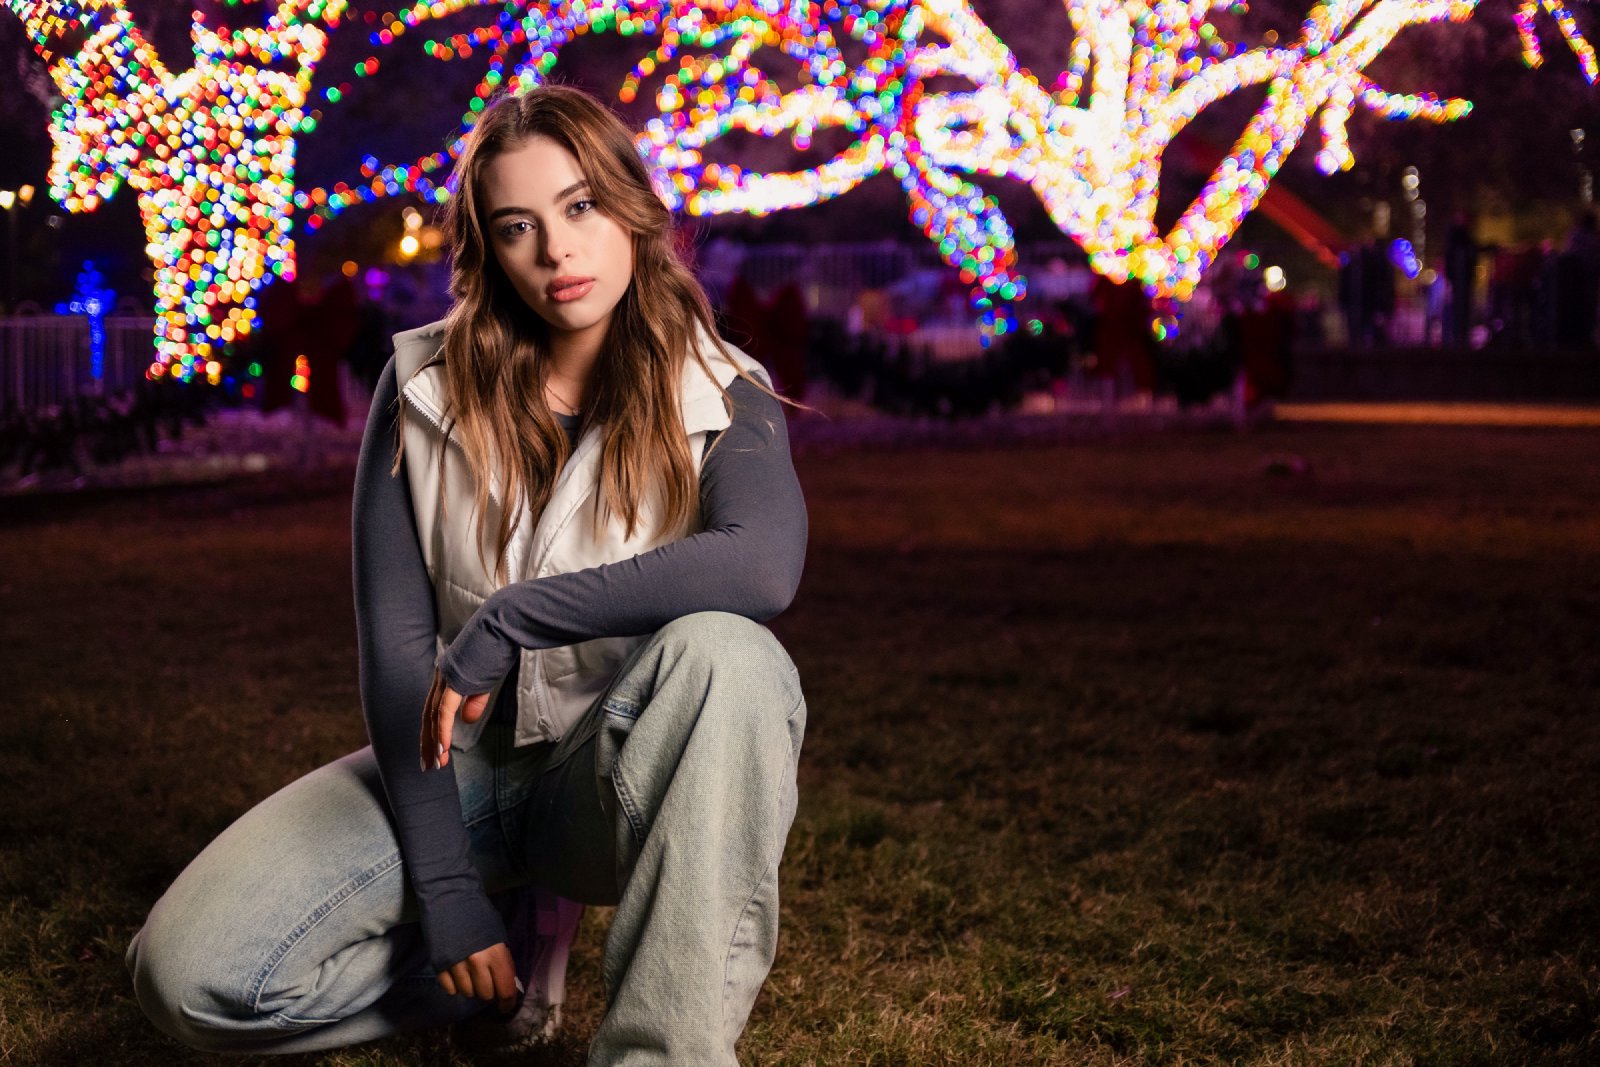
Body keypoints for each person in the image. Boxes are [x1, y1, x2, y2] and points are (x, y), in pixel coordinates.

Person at [124, 83, 810, 1066]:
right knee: (188, 974)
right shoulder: (420, 389)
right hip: (466, 768)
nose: (556, 250)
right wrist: (448, 893)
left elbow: (763, 564)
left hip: (617, 775)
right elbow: (398, 655)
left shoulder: (723, 387)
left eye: (580, 206)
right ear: (488, 247)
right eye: (518, 225)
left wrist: (516, 615)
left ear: (631, 208)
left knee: (733, 656)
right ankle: (511, 943)